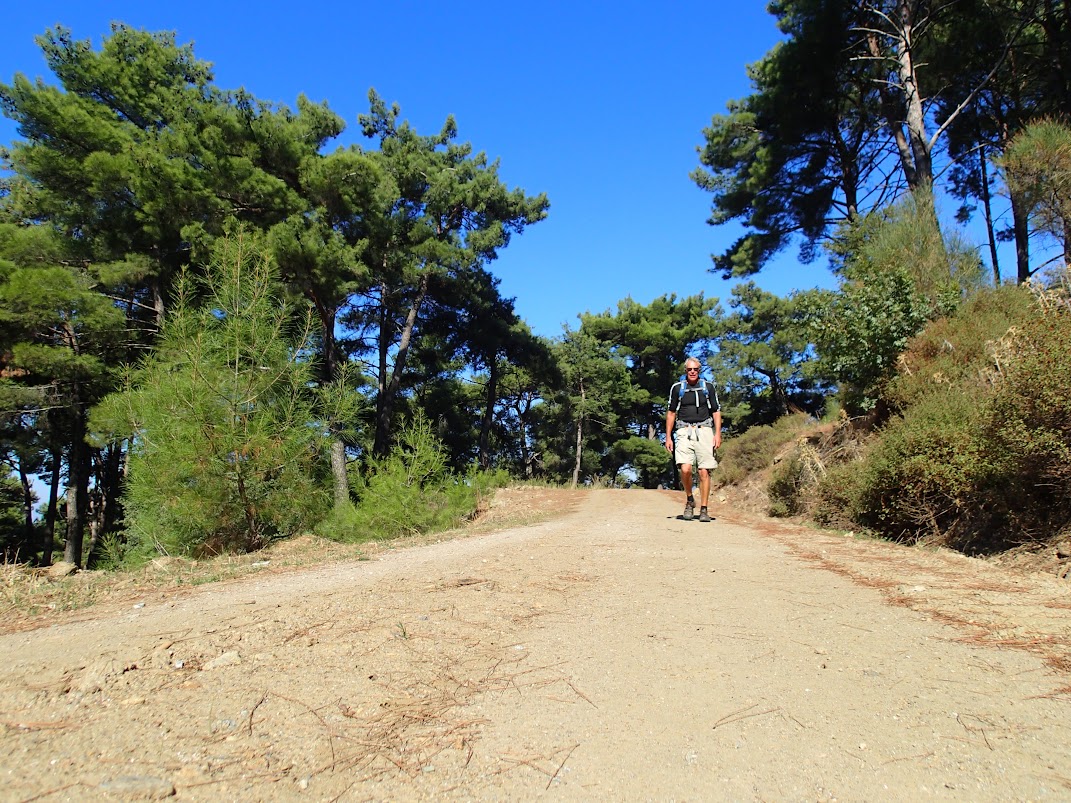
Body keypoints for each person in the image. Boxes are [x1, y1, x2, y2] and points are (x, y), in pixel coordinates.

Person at [665, 358, 722, 522]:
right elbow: (671, 413)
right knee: (685, 469)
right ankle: (690, 499)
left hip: (704, 430)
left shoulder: (707, 387)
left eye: (695, 369)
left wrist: (717, 434)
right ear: (685, 370)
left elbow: (716, 411)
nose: (692, 372)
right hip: (683, 431)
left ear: (699, 370)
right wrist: (668, 437)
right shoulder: (677, 388)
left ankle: (704, 509)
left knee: (704, 471)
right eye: (689, 369)